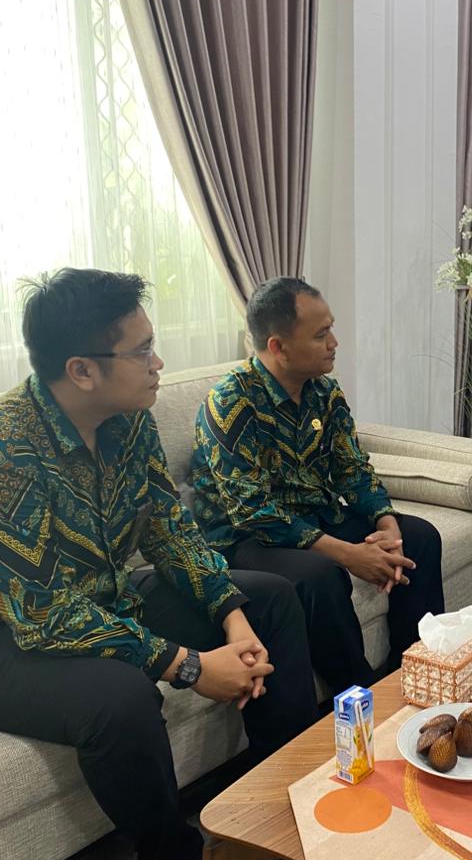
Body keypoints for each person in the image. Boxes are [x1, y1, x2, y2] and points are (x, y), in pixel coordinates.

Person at [0, 268, 317, 860]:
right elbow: (42, 615)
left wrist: (232, 617)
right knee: (122, 696)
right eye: (141, 350)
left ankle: (270, 818)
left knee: (268, 598)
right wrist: (187, 665)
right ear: (81, 370)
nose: (158, 364)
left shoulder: (130, 422)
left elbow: (170, 533)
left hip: (96, 597)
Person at [191, 278, 446, 695]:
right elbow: (252, 511)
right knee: (320, 576)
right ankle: (360, 694)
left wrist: (386, 523)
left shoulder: (324, 391)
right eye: (320, 334)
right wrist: (348, 554)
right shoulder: (230, 403)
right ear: (278, 346)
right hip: (246, 539)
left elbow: (352, 468)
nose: (334, 343)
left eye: (331, 329)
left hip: (313, 515)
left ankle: (417, 672)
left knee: (418, 537)